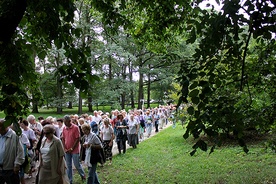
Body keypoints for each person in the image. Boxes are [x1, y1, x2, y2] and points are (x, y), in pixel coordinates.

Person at [62, 115, 86, 184]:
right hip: (67, 150)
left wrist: (72, 148)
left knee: (76, 164)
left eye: (66, 122)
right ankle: (70, 180)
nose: (65, 123)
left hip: (75, 150)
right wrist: (65, 148)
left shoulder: (75, 128)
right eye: (64, 122)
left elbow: (78, 138)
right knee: (68, 165)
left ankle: (82, 175)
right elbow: (63, 138)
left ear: (69, 121)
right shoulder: (64, 128)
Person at [0, 119, 25, 184]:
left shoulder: (14, 136)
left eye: (0, 126)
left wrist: (17, 164)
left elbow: (20, 152)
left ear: (6, 126)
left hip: (10, 169)